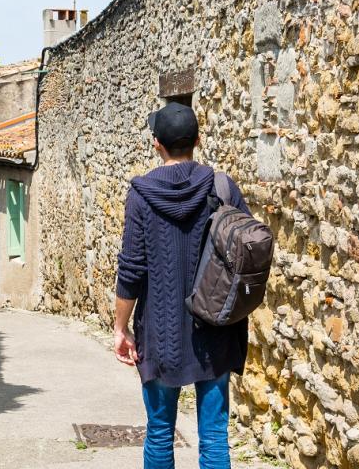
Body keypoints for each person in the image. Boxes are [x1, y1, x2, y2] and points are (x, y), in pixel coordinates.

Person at [113, 101, 251, 469]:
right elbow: (245, 250)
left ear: (157, 144)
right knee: (215, 435)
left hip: (160, 334)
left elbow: (131, 269)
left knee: (159, 431)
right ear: (198, 140)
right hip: (216, 326)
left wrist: (120, 327)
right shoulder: (222, 187)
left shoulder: (141, 195)